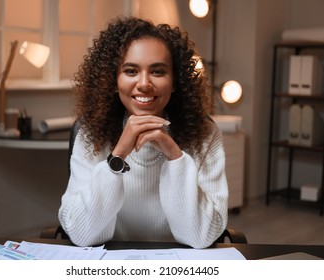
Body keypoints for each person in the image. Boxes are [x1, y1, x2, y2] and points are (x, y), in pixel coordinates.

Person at [58, 16, 228, 249]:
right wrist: (118, 156)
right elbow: (82, 235)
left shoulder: (205, 134)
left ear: (175, 81)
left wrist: (175, 157)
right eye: (131, 71)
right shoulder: (91, 133)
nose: (144, 83)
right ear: (114, 80)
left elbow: (200, 236)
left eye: (158, 72)